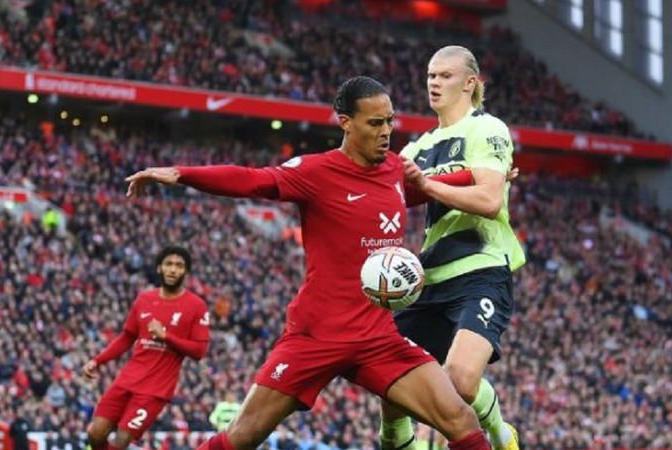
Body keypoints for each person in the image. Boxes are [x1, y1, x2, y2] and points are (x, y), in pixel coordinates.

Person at [124, 76, 492, 450]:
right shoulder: (315, 173)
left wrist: (488, 177)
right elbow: (253, 180)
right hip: (316, 336)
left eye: (390, 121)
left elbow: (432, 186)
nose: (386, 132)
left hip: (377, 338)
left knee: (460, 419)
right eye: (375, 123)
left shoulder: (395, 170)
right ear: (345, 122)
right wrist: (182, 174)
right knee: (242, 436)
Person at [380, 45, 525, 450]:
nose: (434, 82)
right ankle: (399, 442)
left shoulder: (488, 128)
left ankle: (501, 435)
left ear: (471, 83)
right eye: (430, 75)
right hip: (428, 277)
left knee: (459, 381)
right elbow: (388, 197)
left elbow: (489, 201)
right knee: (387, 375)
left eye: (445, 75)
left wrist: (426, 185)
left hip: (481, 269)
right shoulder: (417, 148)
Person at [82, 246, 211, 450]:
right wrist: (97, 361)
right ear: (159, 268)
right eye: (168, 264)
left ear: (186, 272)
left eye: (179, 266)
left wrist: (166, 336)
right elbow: (126, 337)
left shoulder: (196, 306)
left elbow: (199, 351)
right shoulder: (144, 299)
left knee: (121, 441)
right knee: (95, 433)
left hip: (155, 390)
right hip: (126, 380)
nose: (173, 270)